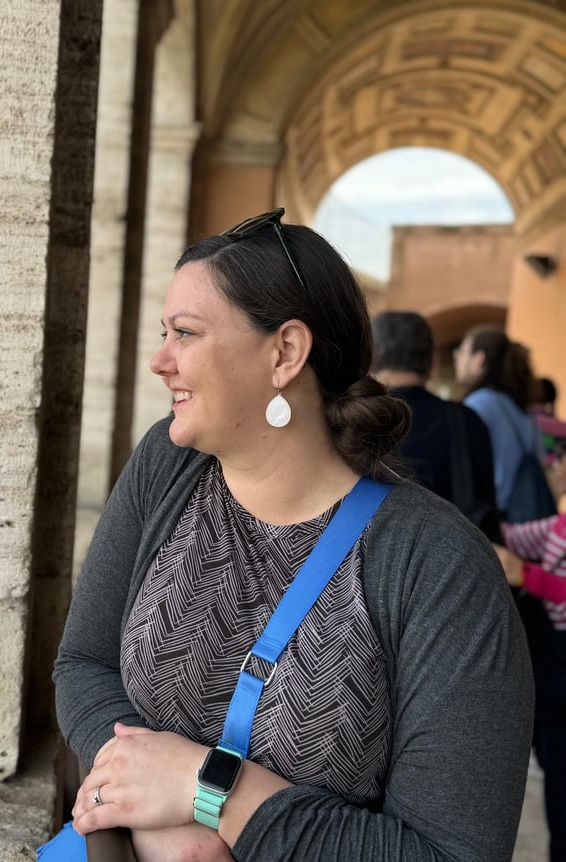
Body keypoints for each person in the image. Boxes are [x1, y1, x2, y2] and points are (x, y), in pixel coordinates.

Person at [53, 209, 534, 862]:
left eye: (185, 333)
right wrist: (150, 806)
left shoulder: (440, 569)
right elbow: (83, 664)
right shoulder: (168, 468)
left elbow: (454, 853)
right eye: (164, 332)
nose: (159, 361)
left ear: (284, 353)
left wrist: (212, 793)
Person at [455, 326, 564, 862]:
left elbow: (489, 496)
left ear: (478, 359)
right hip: (537, 572)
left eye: (462, 350)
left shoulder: (479, 407)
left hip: (519, 577)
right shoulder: (519, 411)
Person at [371, 310, 500, 542]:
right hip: (452, 562)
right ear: (432, 363)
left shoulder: (356, 420)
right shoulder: (467, 421)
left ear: (370, 360)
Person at [453, 325, 554, 521]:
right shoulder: (526, 412)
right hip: (526, 519)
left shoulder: (480, 403)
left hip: (492, 521)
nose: (457, 359)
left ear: (479, 359)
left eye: (462, 352)